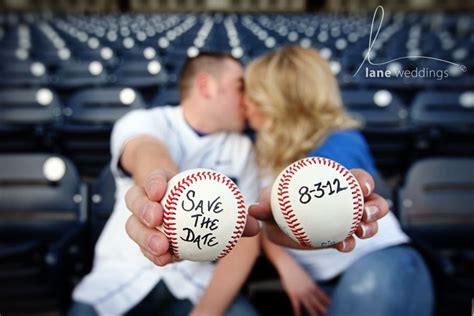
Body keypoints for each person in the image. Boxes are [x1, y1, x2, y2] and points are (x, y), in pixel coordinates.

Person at [243, 45, 434, 316]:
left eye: (253, 94)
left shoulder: (341, 141)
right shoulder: (260, 148)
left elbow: (317, 209)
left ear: (277, 102)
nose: (245, 102)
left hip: (378, 263)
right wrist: (286, 265)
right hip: (323, 282)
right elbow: (258, 219)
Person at [69, 52, 261, 316]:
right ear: (206, 86)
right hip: (123, 273)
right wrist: (161, 182)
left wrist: (206, 312)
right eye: (241, 87)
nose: (248, 98)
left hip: (197, 281)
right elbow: (145, 149)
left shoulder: (243, 149)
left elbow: (244, 243)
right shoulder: (143, 120)